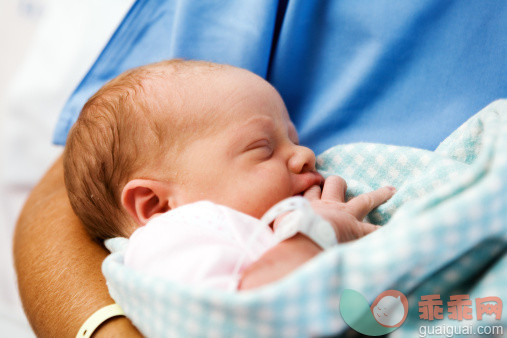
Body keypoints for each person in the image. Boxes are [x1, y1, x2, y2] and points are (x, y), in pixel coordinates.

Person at [63, 59, 395, 292]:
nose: (305, 154)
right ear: (158, 206)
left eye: (293, 139)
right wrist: (318, 234)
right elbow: (241, 314)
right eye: (263, 148)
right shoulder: (166, 242)